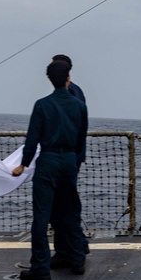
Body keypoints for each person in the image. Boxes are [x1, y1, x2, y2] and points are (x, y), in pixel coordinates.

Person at [12, 59, 88, 280]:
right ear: (68, 79)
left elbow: (32, 139)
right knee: (71, 211)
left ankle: (41, 267)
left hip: (48, 160)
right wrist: (73, 160)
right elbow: (81, 138)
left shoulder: (42, 105)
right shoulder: (80, 106)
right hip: (69, 161)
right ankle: (77, 259)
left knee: (41, 215)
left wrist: (23, 165)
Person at [51, 54, 88, 260]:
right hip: (73, 156)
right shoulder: (76, 93)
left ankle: (70, 248)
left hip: (68, 157)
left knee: (63, 203)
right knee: (67, 202)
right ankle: (78, 244)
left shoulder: (71, 94)